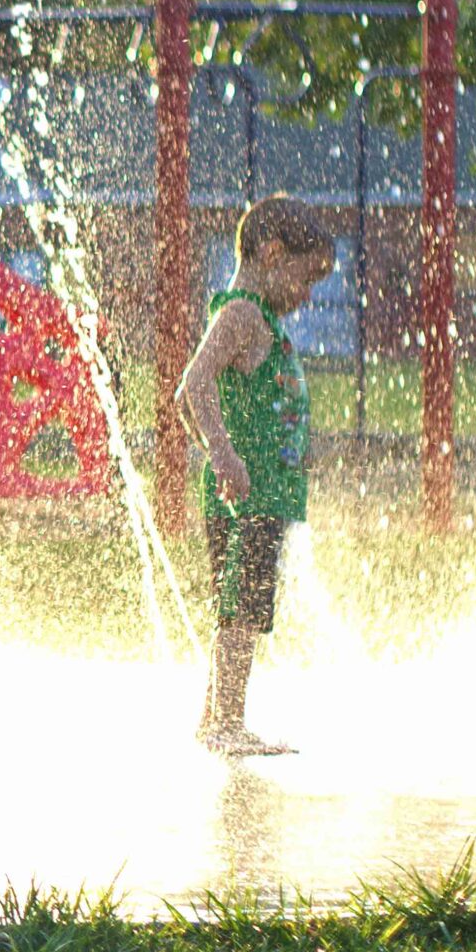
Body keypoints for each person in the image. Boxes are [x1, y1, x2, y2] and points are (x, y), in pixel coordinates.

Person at [177, 194, 335, 756]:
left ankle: (212, 720)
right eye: (307, 275)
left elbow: (185, 402)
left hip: (260, 493)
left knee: (241, 606)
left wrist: (225, 456)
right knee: (240, 609)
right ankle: (227, 724)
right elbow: (190, 386)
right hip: (246, 497)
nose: (309, 293)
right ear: (271, 253)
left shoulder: (257, 316)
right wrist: (223, 457)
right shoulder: (241, 313)